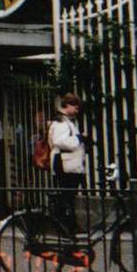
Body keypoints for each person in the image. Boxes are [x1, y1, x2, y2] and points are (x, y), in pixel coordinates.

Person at [48, 93, 87, 229]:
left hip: (66, 164)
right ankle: (67, 226)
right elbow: (60, 141)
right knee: (67, 197)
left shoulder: (64, 121)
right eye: (75, 108)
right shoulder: (61, 122)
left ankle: (67, 225)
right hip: (65, 165)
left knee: (68, 197)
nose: (76, 111)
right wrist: (79, 138)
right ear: (68, 105)